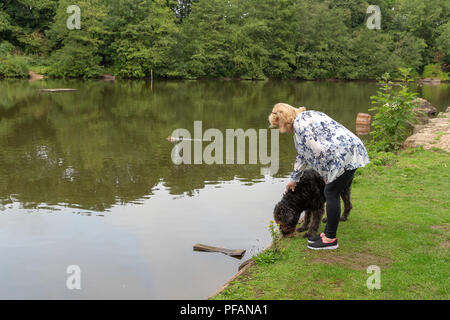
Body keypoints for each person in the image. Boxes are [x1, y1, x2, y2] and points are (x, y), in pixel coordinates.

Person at [268, 103, 370, 250]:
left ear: (283, 120)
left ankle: (330, 239)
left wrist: (325, 174)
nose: (280, 128)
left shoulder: (301, 126)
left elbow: (320, 150)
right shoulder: (306, 117)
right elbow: (303, 154)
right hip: (350, 149)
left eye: (278, 125)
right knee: (332, 192)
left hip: (343, 155)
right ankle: (327, 235)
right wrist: (294, 178)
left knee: (330, 192)